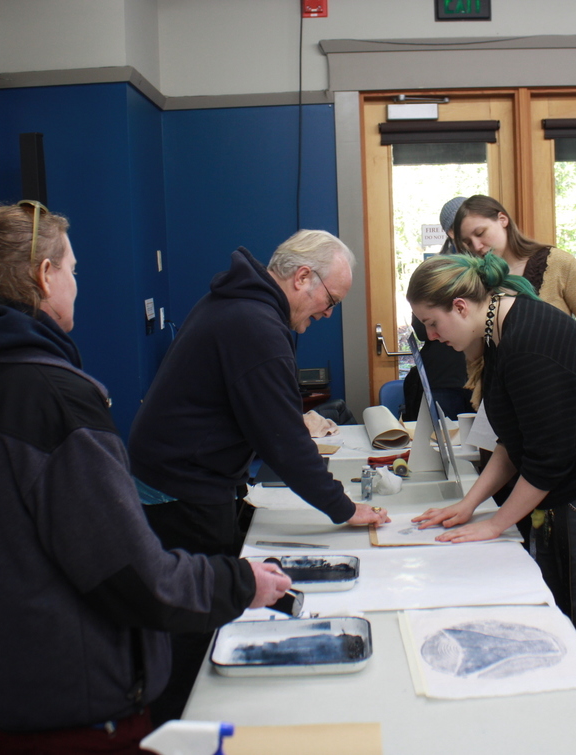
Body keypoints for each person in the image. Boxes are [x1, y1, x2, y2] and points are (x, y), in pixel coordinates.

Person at [0, 202, 292, 754]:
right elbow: (132, 574)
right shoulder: (56, 401)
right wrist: (241, 583)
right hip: (66, 699)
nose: (76, 285)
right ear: (45, 276)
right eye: (72, 270)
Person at [407, 253, 576, 754]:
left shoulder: (527, 341)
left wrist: (495, 523)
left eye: (432, 324)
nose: (432, 337)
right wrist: (469, 505)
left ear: (460, 306)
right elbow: (510, 439)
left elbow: (546, 460)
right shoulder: (500, 329)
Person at [129, 229, 389, 723]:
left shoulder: (239, 305)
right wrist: (344, 507)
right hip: (180, 491)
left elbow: (269, 418)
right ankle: (186, 727)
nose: (328, 314)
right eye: (331, 301)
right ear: (302, 277)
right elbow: (283, 442)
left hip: (178, 478)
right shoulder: (255, 324)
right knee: (195, 623)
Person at [452, 194, 576, 378]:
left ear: (502, 219)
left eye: (480, 233)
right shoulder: (478, 282)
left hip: (572, 383)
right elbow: (479, 355)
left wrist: (567, 356)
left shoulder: (557, 262)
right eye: (467, 242)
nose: (477, 246)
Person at [404, 196, 474, 421]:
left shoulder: (491, 269)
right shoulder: (432, 271)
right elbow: (424, 330)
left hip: (482, 375)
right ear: (451, 231)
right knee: (444, 444)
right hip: (443, 377)